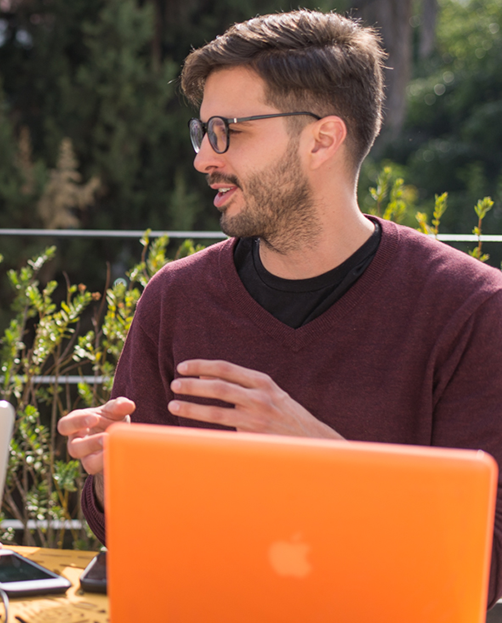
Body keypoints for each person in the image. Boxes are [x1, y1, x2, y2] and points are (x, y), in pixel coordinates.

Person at [58, 9, 502, 603]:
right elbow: (133, 542)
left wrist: (320, 456)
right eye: (202, 133)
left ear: (322, 139)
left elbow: (484, 562)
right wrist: (118, 480)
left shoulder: (471, 308)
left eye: (230, 132)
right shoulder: (178, 297)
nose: (204, 159)